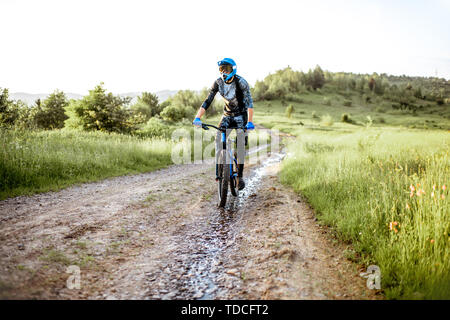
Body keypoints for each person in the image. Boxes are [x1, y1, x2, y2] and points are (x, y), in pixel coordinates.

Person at [193, 58, 254, 190]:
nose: (224, 72)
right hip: (226, 116)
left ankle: (239, 176)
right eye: (221, 69)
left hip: (241, 116)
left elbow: (249, 103)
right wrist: (198, 117)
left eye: (226, 68)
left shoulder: (241, 82)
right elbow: (207, 101)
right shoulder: (218, 83)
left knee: (241, 144)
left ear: (233, 69)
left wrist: (249, 122)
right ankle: (220, 169)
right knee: (218, 140)